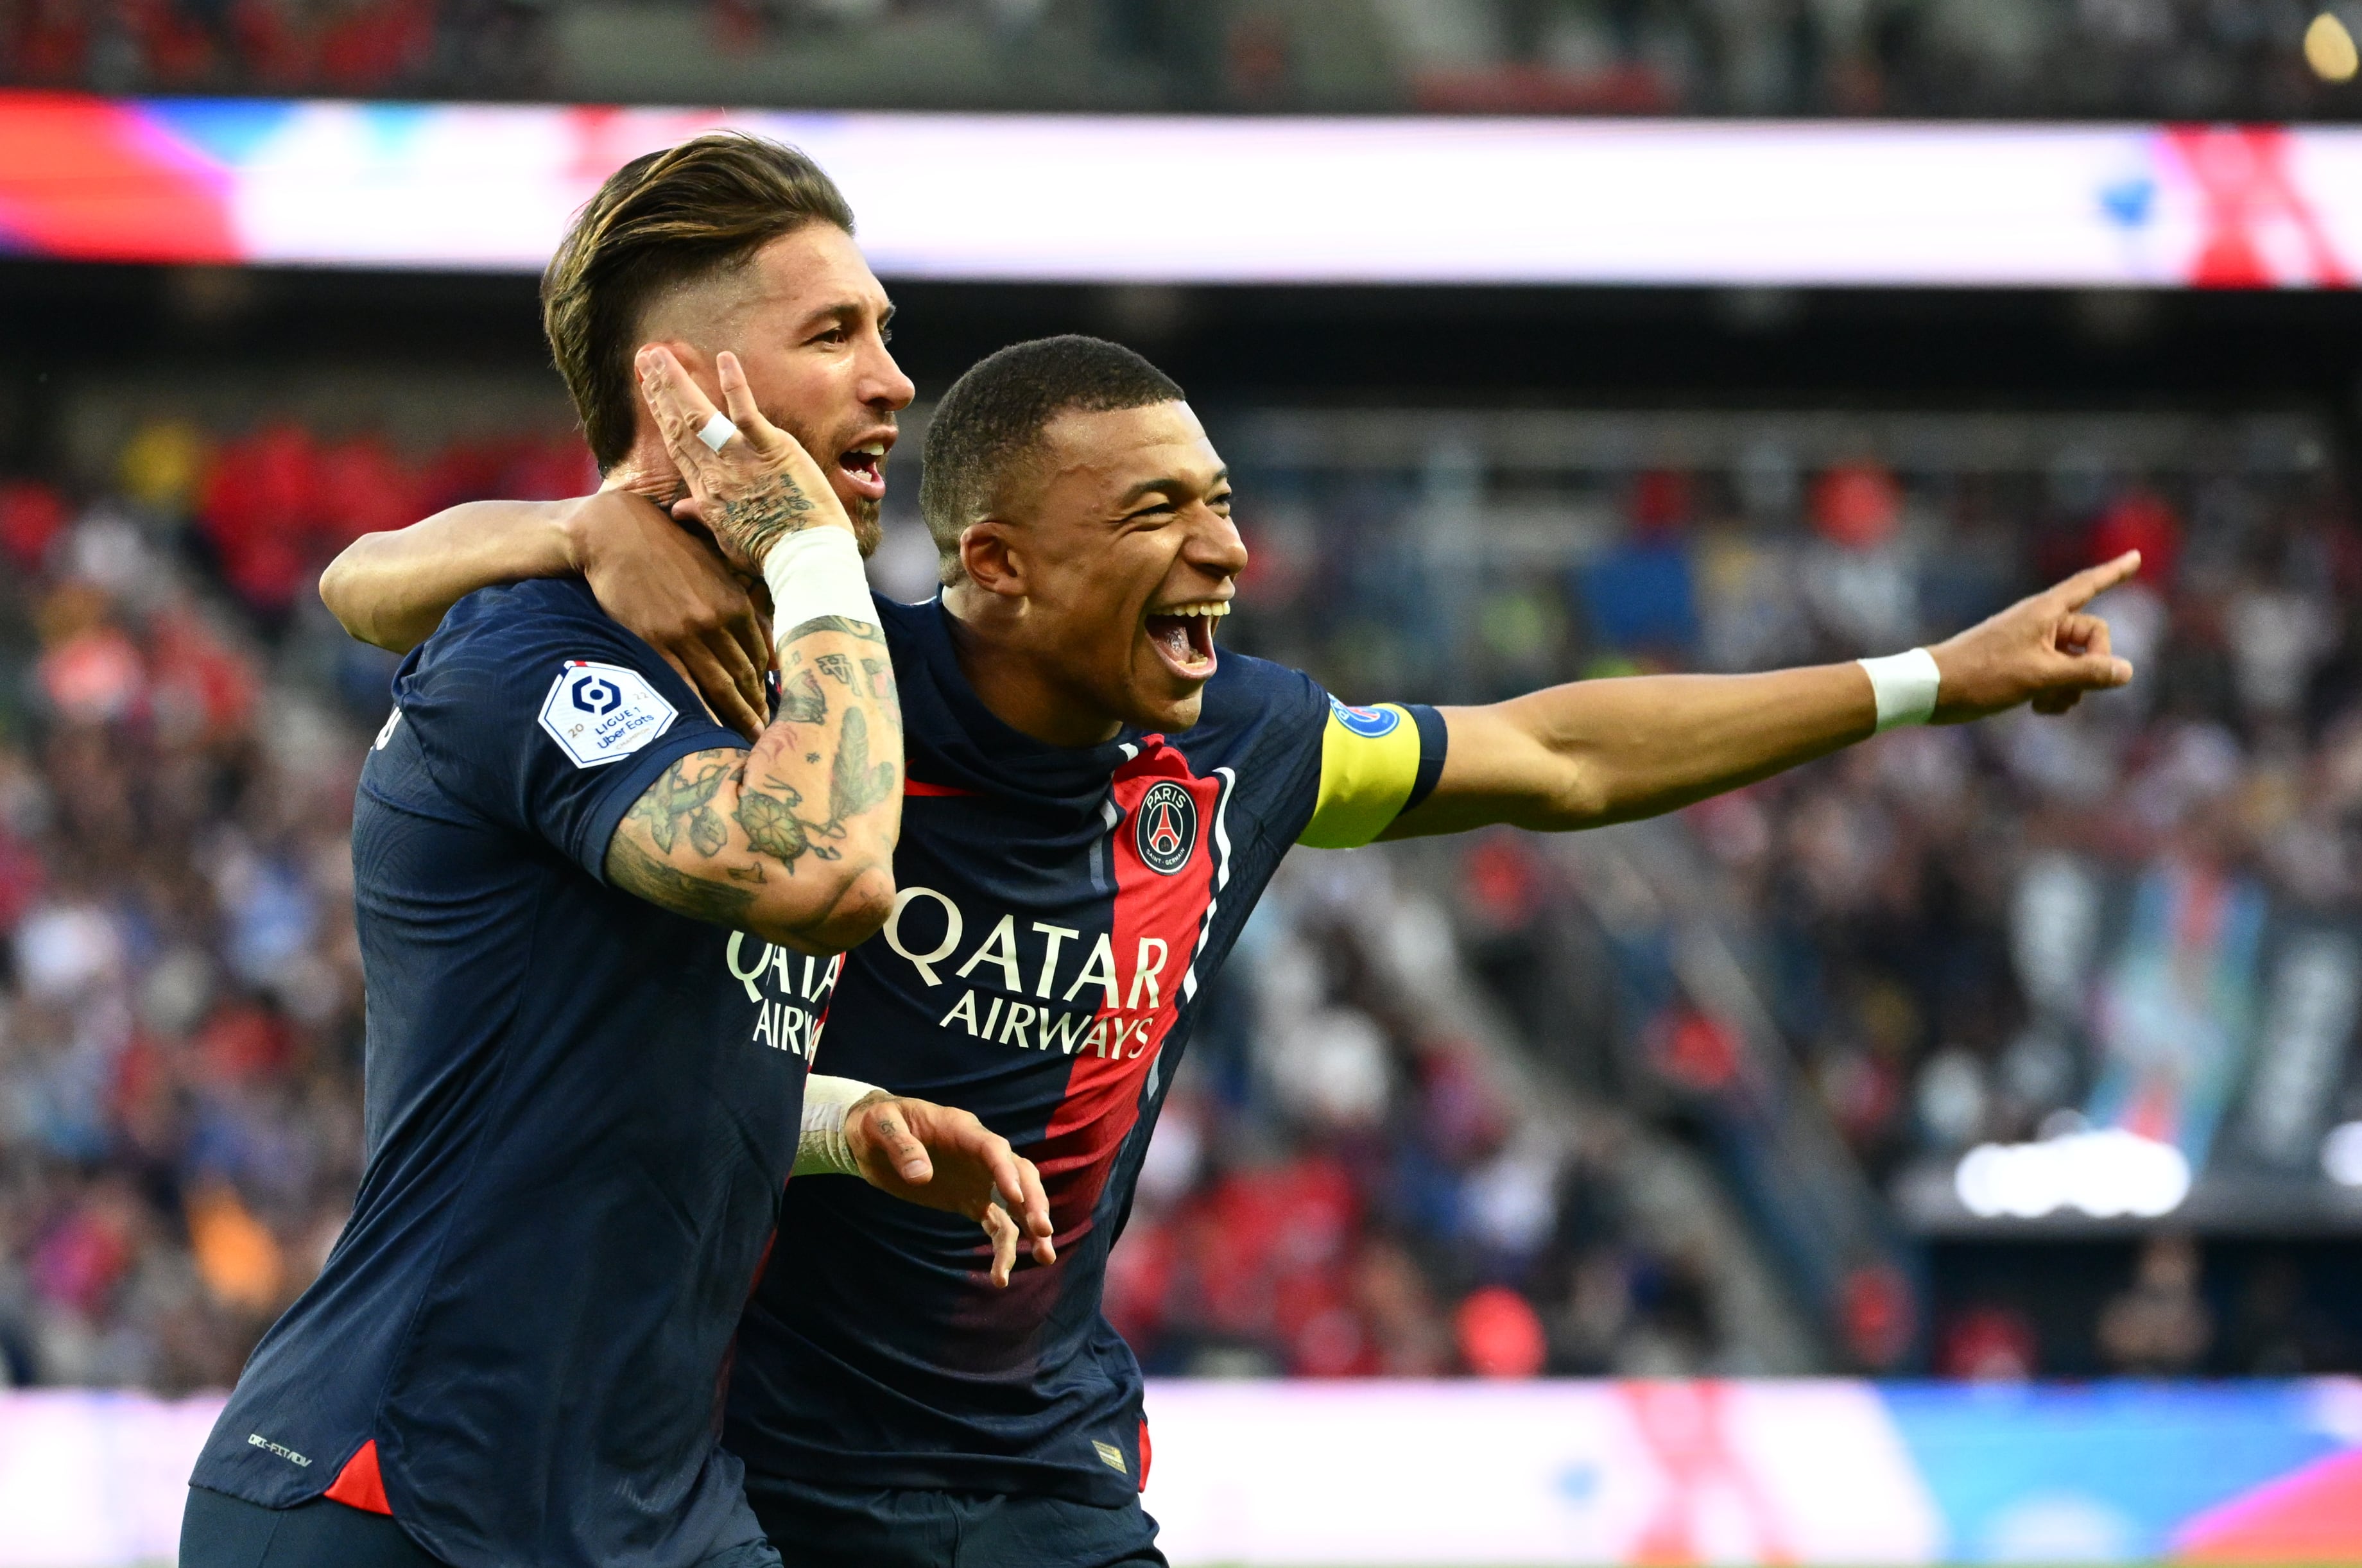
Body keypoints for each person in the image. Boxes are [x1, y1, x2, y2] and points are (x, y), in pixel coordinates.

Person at [324, 166, 2138, 1568]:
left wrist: (1925, 682)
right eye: (1157, 514)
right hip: (757, 1468)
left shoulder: (1242, 750)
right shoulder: (830, 705)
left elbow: (1557, 752)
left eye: (1219, 503)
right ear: (997, 567)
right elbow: (392, 585)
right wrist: (567, 524)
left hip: (1048, 1472)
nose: (1227, 550)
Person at [182, 136, 1055, 1568]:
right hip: (403, 1498)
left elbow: (609, 1044)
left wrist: (829, 1120)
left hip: (651, 1509)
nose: (896, 381)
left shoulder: (767, 672)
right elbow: (826, 874)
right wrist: (804, 553)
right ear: (684, 386)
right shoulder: (528, 645)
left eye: (884, 334)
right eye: (835, 334)